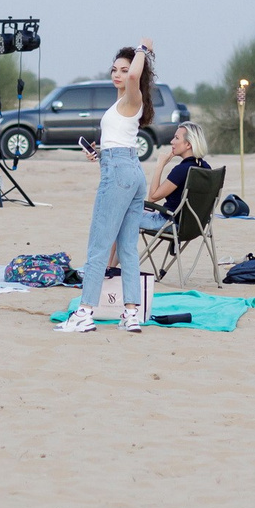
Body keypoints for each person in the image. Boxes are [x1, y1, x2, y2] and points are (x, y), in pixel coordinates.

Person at [58, 39, 160, 334]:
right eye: (114, 69)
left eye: (124, 70)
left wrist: (142, 49)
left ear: (136, 74)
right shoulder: (121, 103)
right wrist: (99, 153)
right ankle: (130, 314)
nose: (118, 74)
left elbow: (133, 78)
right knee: (127, 247)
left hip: (120, 172)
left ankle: (85, 311)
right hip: (127, 168)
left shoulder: (133, 97)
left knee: (99, 246)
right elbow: (119, 141)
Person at [143, 121, 211, 230]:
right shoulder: (206, 168)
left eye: (176, 138)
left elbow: (152, 198)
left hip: (169, 222)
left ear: (188, 144)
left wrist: (160, 166)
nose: (171, 141)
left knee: (122, 217)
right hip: (195, 226)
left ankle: (113, 248)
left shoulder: (181, 170)